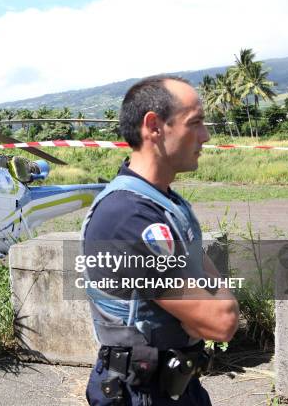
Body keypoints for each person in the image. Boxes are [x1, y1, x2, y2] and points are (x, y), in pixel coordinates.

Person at [81, 76, 239, 405]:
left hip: (176, 385)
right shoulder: (127, 218)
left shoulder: (165, 203)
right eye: (194, 123)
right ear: (154, 126)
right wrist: (213, 292)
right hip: (138, 394)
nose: (205, 135)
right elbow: (220, 320)